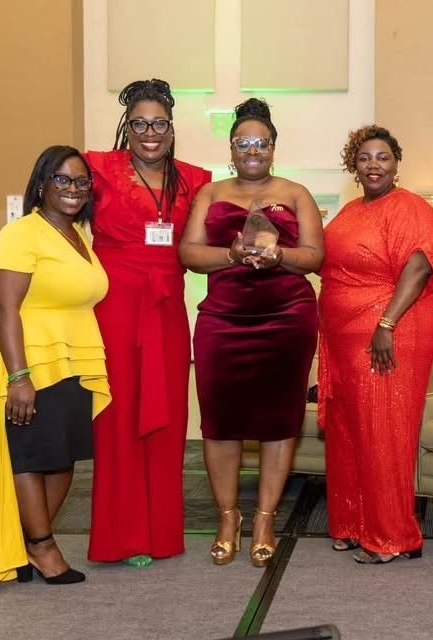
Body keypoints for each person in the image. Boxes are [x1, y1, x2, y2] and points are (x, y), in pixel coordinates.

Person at [179, 98, 323, 567]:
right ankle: (228, 518)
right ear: (231, 149)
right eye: (243, 143)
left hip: (287, 319)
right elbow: (188, 254)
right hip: (222, 321)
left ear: (274, 147)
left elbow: (315, 256)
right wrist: (232, 256)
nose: (252, 150)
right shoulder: (211, 193)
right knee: (220, 422)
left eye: (261, 142)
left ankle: (264, 520)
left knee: (279, 421)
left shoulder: (296, 193)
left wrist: (280, 256)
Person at [0, 145, 110, 588]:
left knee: (62, 458)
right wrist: (18, 376)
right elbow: (5, 308)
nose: (73, 189)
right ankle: (43, 547)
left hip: (72, 358)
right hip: (29, 360)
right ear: (42, 184)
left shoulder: (79, 235)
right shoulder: (20, 234)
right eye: (62, 179)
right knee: (32, 457)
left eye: (81, 181)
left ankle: (26, 540)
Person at [84, 79, 211, 567]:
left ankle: (161, 534)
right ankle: (123, 536)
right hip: (114, 308)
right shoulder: (96, 169)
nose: (149, 133)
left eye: (159, 123)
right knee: (116, 419)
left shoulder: (196, 180)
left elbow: (214, 239)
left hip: (167, 309)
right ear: (126, 127)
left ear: (172, 129)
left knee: (168, 418)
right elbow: (54, 205)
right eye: (139, 124)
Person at [318, 125, 433, 564]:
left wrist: (386, 323)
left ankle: (392, 537)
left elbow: (419, 268)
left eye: (383, 157)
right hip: (345, 336)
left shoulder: (410, 207)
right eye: (365, 157)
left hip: (392, 330)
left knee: (383, 430)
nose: (374, 164)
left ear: (396, 164)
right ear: (353, 166)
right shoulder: (350, 211)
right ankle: (355, 523)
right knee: (350, 430)